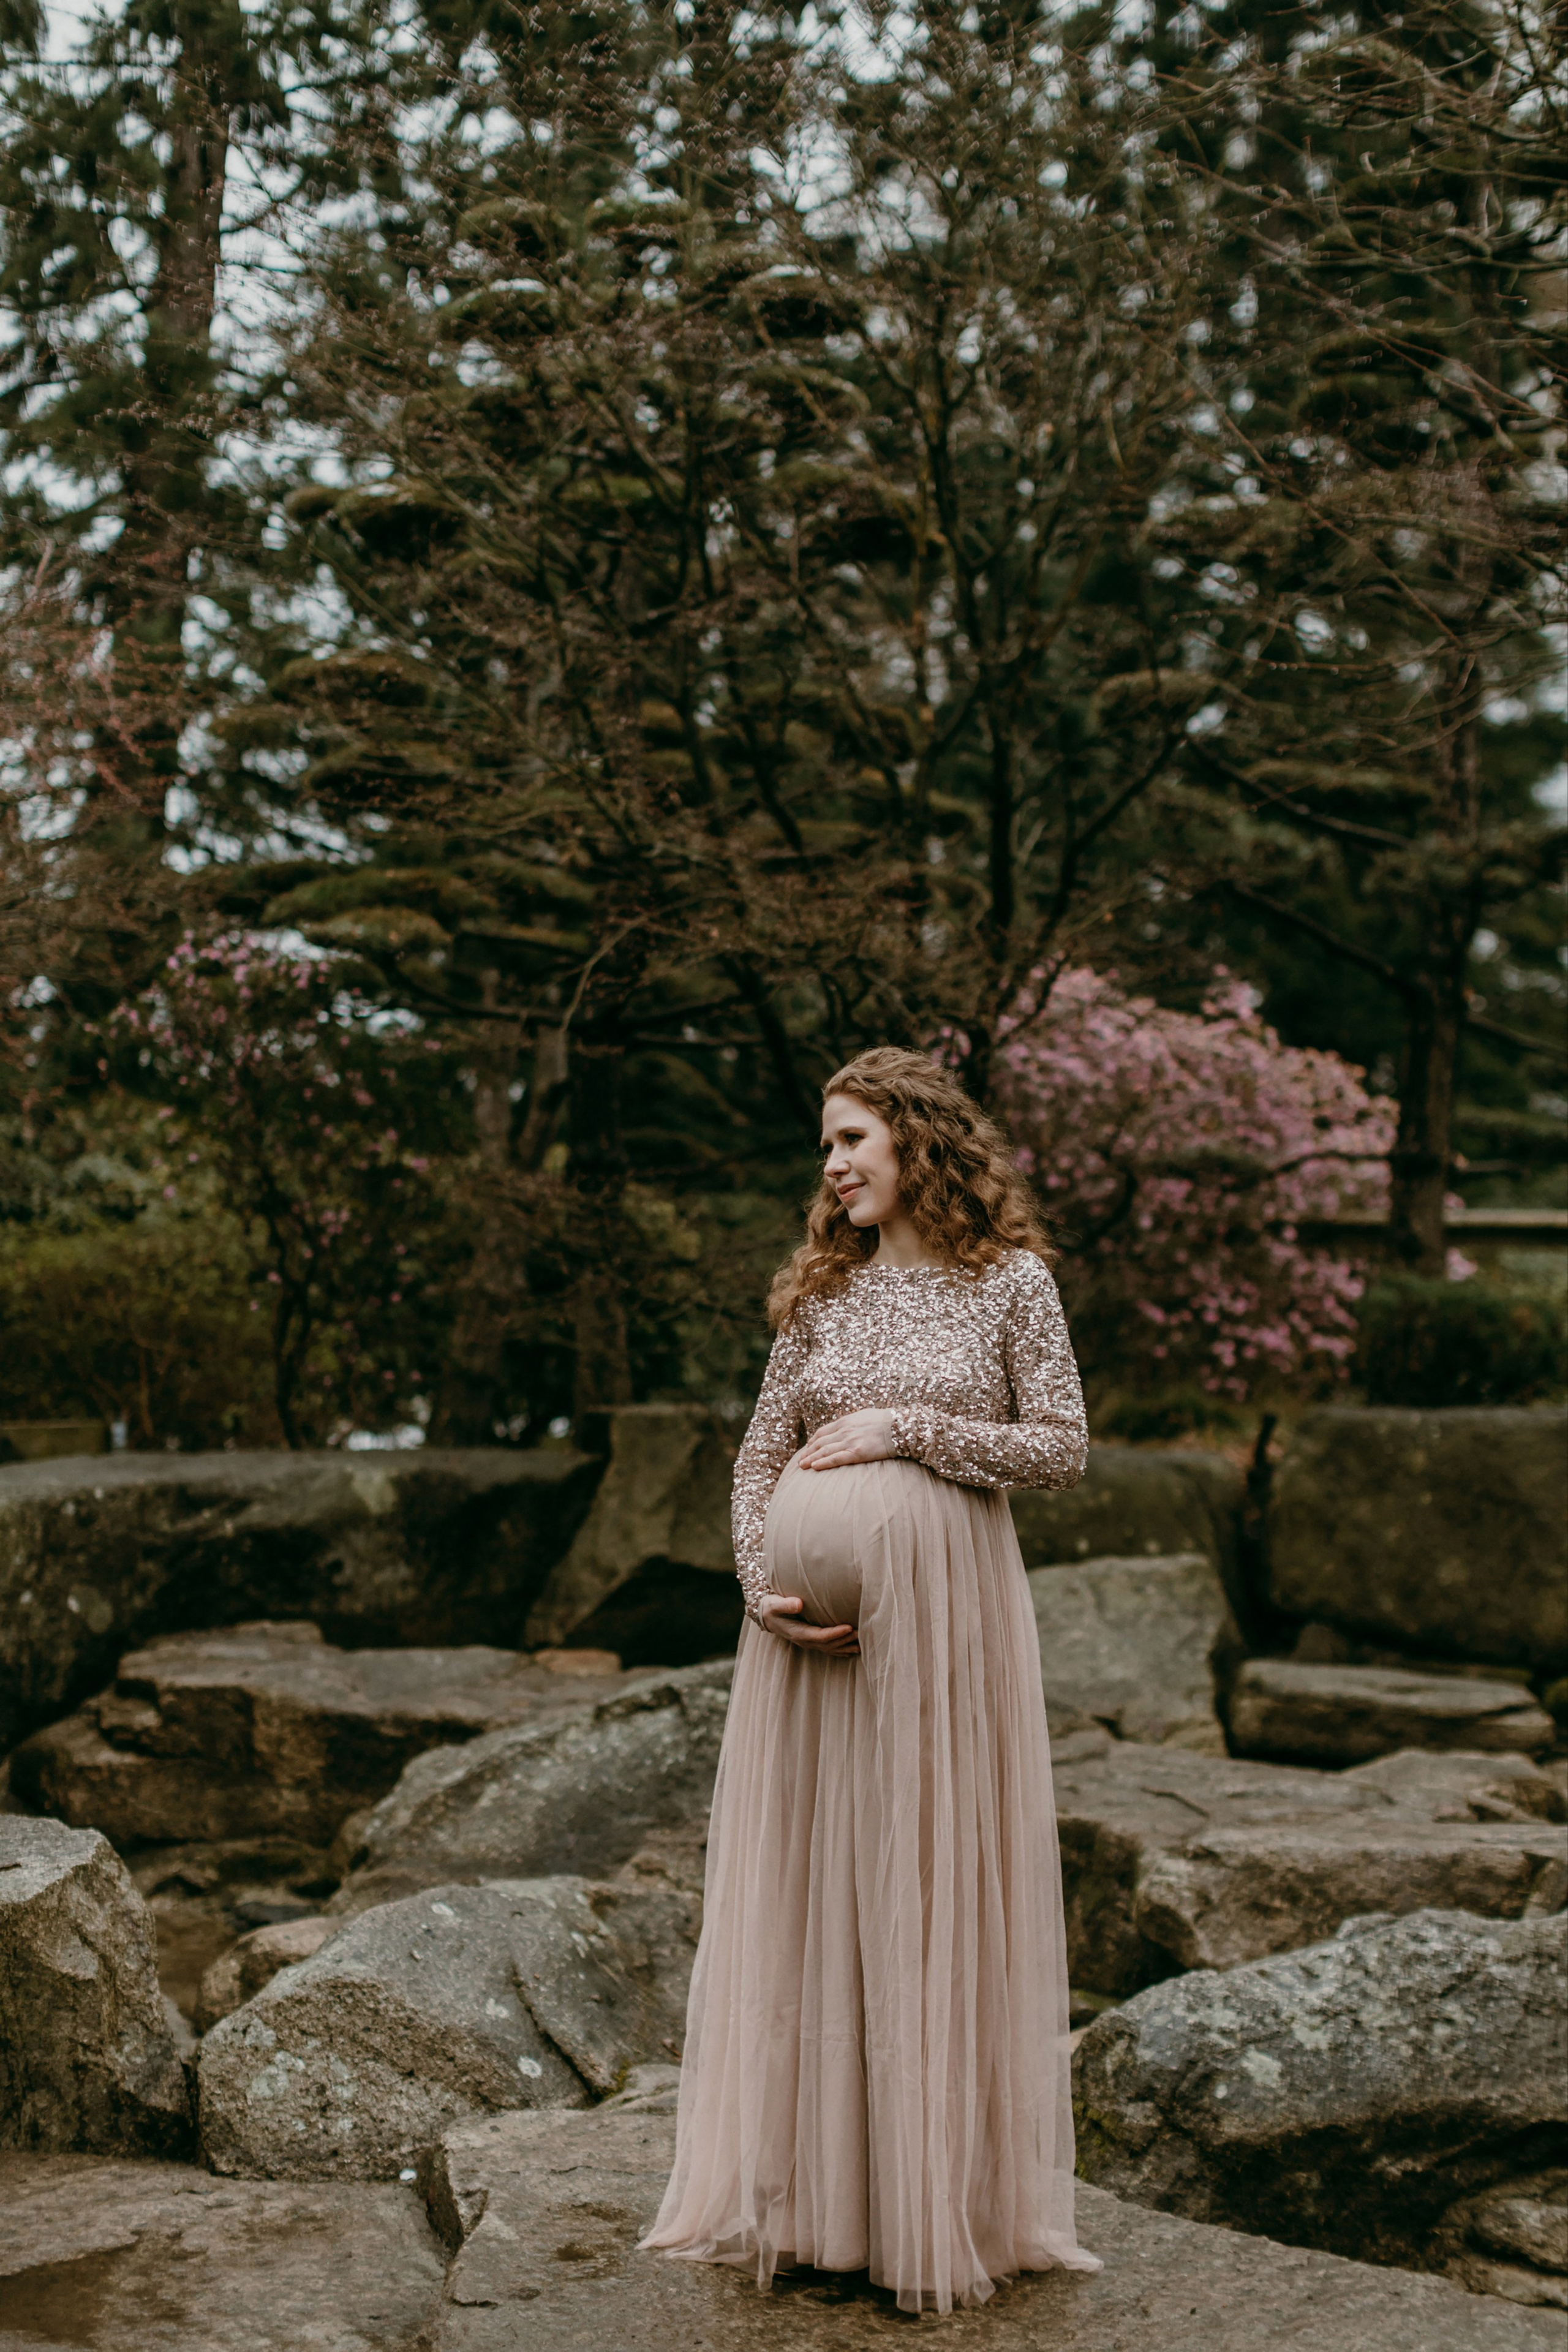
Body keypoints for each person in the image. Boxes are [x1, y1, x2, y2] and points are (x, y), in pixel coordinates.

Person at [641, 1046, 1101, 2315]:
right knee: (815, 1898)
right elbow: (754, 1462)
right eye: (826, 1148)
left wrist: (912, 1432)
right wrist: (761, 1588)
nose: (832, 1166)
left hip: (946, 1640)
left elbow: (1059, 1447)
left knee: (924, 1886)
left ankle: (929, 2204)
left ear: (916, 1141)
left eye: (851, 1139)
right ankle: (817, 2205)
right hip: (809, 1658)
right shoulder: (825, 1295)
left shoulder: (1010, 1285)